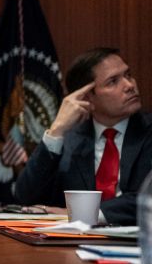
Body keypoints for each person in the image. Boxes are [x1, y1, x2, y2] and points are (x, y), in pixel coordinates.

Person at [14, 47, 152, 225]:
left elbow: (147, 198)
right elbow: (25, 196)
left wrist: (84, 214)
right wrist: (56, 130)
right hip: (73, 247)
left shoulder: (148, 131)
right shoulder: (70, 140)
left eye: (128, 75)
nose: (130, 85)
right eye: (113, 81)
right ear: (87, 98)